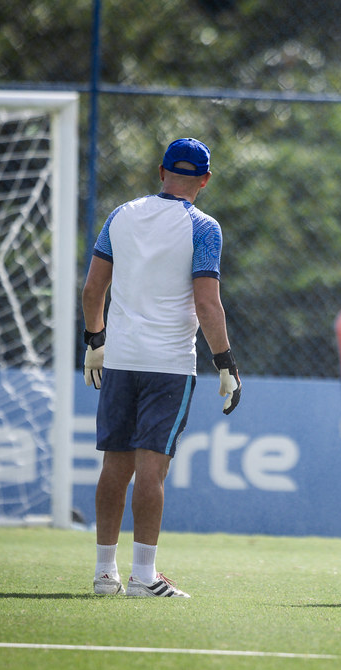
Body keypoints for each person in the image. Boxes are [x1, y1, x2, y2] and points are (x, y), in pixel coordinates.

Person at [81, 137, 242, 598]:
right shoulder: (204, 227)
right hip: (169, 365)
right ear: (205, 180)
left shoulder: (122, 214)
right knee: (152, 472)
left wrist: (95, 339)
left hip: (122, 359)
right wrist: (226, 361)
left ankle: (103, 573)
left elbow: (94, 288)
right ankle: (143, 577)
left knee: (115, 467)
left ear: (161, 171)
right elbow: (207, 304)